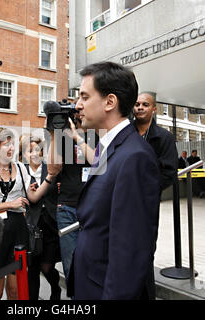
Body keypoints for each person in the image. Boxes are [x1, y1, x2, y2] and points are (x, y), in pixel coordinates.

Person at [52, 61, 161, 299]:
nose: (77, 105)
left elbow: (129, 253)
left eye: (84, 96)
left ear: (110, 102)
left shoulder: (135, 158)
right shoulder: (110, 148)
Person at [0, 127, 57, 300]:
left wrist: (50, 178)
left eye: (12, 144)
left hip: (18, 231)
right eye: (6, 144)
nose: (11, 148)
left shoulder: (20, 167)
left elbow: (32, 197)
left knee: (16, 290)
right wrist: (10, 204)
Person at [46, 111, 97, 288]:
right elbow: (52, 170)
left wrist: (77, 137)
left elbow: (98, 162)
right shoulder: (62, 137)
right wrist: (54, 135)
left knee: (93, 261)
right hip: (66, 207)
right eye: (75, 111)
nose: (79, 113)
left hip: (93, 208)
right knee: (70, 264)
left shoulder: (98, 134)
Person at [19, 135, 61, 300]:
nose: (34, 153)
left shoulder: (51, 169)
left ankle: (56, 290)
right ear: (24, 154)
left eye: (37, 149)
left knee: (47, 266)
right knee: (33, 267)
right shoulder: (21, 171)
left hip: (50, 223)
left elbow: (61, 189)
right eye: (30, 150)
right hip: (30, 225)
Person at [133, 93, 178, 192]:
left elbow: (169, 173)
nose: (140, 108)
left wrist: (147, 188)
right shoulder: (124, 132)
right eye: (137, 105)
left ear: (154, 109)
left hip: (147, 197)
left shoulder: (166, 137)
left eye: (145, 105)